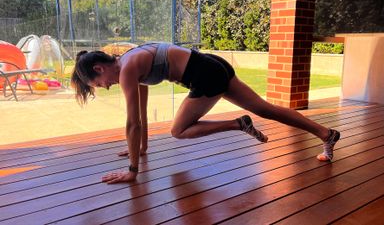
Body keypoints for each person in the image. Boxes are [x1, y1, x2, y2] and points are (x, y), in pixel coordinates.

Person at [71, 43, 340, 184]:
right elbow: (139, 115)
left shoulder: (128, 68)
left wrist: (132, 171)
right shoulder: (129, 62)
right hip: (211, 64)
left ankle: (237, 124)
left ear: (98, 69)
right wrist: (140, 150)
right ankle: (326, 134)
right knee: (264, 109)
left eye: (98, 84)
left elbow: (131, 123)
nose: (104, 87)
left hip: (205, 74)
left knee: (178, 130)